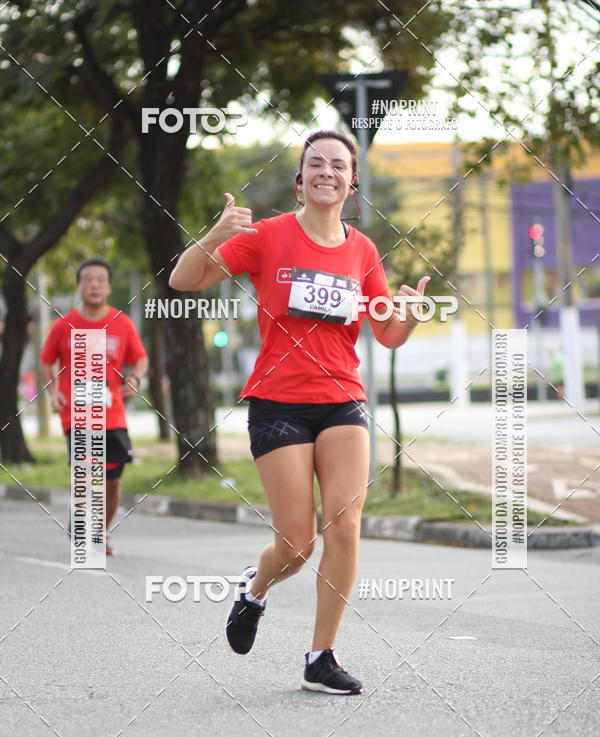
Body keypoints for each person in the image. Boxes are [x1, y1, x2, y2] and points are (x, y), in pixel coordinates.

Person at [169, 130, 428, 694]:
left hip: (342, 400)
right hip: (278, 401)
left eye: (339, 164)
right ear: (300, 180)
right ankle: (255, 587)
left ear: (352, 180)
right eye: (316, 164)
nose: (327, 172)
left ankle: (320, 657)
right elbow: (182, 279)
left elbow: (386, 333)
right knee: (296, 544)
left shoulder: (362, 251)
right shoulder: (268, 236)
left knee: (346, 526)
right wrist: (217, 232)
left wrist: (408, 313)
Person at [40, 258, 148, 555]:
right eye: (88, 279)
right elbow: (46, 361)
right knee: (86, 473)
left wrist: (136, 377)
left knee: (112, 483)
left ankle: (99, 532)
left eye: (101, 279)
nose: (95, 285)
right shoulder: (63, 326)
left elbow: (140, 357)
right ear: (79, 286)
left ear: (109, 286)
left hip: (112, 414)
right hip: (75, 415)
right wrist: (53, 393)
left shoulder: (122, 323)